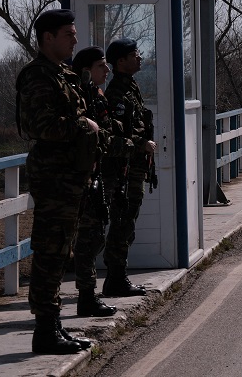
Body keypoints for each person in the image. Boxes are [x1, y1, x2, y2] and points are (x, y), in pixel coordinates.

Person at [16, 9, 98, 354]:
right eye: (68, 33)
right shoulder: (38, 76)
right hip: (53, 178)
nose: (75, 39)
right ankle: (45, 331)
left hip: (70, 176)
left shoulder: (63, 73)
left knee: (62, 248)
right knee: (51, 251)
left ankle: (54, 328)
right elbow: (42, 127)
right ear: (48, 37)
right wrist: (86, 128)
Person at [71, 46, 134, 317]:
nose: (107, 70)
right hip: (85, 175)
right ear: (87, 70)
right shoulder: (81, 96)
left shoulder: (96, 94)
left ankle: (89, 294)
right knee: (88, 238)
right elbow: (95, 137)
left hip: (101, 175)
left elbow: (107, 129)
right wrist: (126, 144)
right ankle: (86, 296)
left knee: (96, 235)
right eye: (101, 66)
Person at [101, 38, 157, 297]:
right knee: (122, 223)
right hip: (123, 169)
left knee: (127, 222)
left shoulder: (130, 87)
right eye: (134, 54)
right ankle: (115, 279)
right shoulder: (117, 94)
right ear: (121, 61)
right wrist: (141, 143)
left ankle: (118, 277)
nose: (139, 58)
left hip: (133, 167)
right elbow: (114, 134)